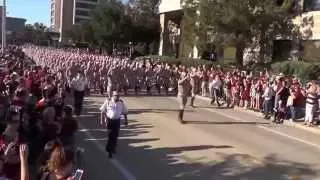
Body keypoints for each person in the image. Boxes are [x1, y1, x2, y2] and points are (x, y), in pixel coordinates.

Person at [99, 91, 128, 158]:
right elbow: (102, 110)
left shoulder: (121, 102)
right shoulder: (108, 101)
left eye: (118, 95)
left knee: (115, 135)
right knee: (110, 135)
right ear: (112, 95)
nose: (117, 97)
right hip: (110, 121)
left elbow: (125, 112)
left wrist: (126, 120)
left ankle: (112, 147)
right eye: (115, 95)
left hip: (117, 121)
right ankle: (110, 150)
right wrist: (101, 120)